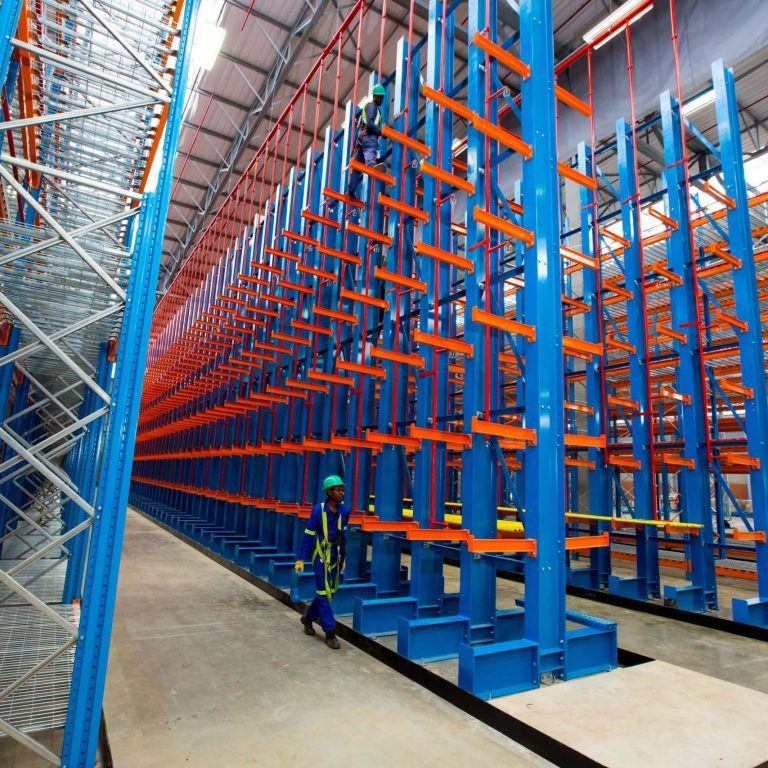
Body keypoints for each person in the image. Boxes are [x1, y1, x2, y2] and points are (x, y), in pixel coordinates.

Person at [294, 475, 350, 649]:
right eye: (338, 489)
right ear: (329, 492)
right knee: (324, 593)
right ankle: (330, 631)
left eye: (342, 489)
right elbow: (309, 535)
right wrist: (300, 559)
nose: (342, 492)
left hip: (336, 557)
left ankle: (308, 618)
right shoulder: (318, 510)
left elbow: (343, 536)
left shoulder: (345, 511)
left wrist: (344, 557)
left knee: (329, 592)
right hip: (321, 557)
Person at [346, 83, 387, 201]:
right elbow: (369, 123)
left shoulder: (372, 107)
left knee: (358, 166)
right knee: (370, 148)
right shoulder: (372, 106)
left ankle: (350, 190)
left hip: (361, 138)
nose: (382, 100)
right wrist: (380, 132)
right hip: (367, 136)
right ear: (375, 96)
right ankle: (371, 165)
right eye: (381, 97)